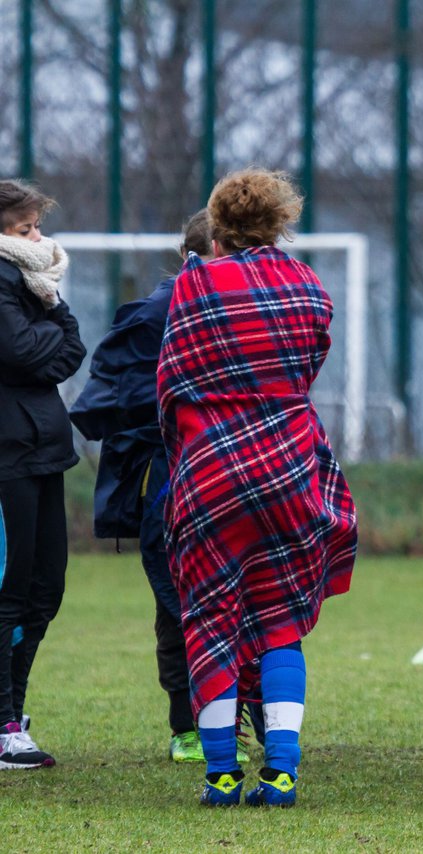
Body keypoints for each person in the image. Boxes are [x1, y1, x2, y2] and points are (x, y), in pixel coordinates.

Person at [157, 169, 358, 807]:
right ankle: (283, 773)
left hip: (213, 472)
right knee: (278, 624)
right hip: (291, 467)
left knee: (210, 620)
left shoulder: (193, 284)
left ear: (216, 227)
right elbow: (310, 362)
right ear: (279, 224)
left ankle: (220, 775)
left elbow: (171, 380)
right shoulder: (306, 284)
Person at [70, 209, 254, 766]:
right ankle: (189, 724)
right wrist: (176, 422)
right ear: (194, 256)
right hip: (175, 475)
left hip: (237, 472)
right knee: (181, 600)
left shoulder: (250, 307)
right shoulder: (157, 312)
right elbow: (103, 402)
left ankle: (248, 715)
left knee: (245, 596)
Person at [0, 179, 85, 770]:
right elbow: (27, 353)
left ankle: (14, 714)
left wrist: (49, 334)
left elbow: (72, 347)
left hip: (44, 447)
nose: (37, 237)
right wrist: (48, 340)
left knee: (45, 588)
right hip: (7, 454)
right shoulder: (9, 284)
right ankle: (3, 724)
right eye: (25, 228)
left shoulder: (39, 285)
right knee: (8, 590)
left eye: (37, 226)